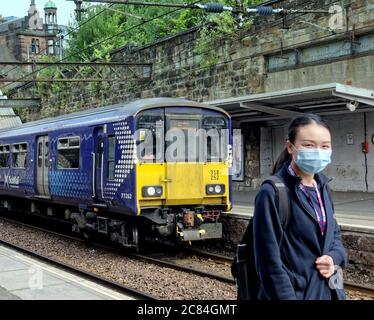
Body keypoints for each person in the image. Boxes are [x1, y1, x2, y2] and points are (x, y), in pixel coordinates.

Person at [253, 113, 347, 300]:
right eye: (309, 145)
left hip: (327, 292)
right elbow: (269, 263)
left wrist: (333, 258)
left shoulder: (322, 186)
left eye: (325, 146)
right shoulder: (272, 193)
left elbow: (333, 235)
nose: (318, 151)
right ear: (290, 147)